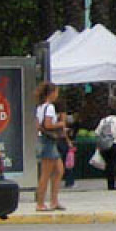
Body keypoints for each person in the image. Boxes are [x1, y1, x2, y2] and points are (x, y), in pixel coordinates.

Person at [34, 82, 67, 212]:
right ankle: (40, 203)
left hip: (44, 140)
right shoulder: (50, 108)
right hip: (48, 142)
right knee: (46, 174)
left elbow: (38, 125)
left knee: (59, 170)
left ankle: (54, 201)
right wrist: (60, 124)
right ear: (52, 93)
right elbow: (48, 125)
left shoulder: (40, 107)